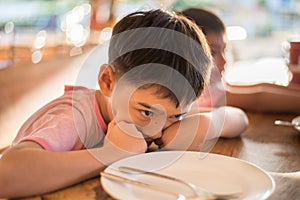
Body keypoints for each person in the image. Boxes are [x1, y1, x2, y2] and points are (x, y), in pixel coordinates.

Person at [0, 9, 248, 198]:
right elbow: (7, 175)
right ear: (108, 82)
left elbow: (240, 119)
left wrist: (206, 121)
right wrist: (110, 154)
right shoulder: (74, 116)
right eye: (146, 112)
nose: (156, 131)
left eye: (175, 116)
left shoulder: (157, 108)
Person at [182, 7, 300, 114]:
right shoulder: (198, 95)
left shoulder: (211, 85)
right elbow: (258, 100)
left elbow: (260, 86)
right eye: (213, 52)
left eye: (225, 50)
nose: (224, 61)